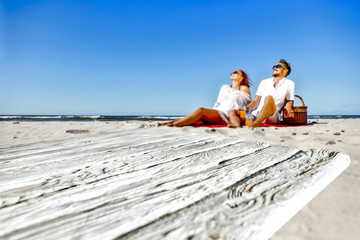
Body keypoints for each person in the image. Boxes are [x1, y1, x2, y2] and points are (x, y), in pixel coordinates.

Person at [158, 70, 252, 127]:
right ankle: (167, 123)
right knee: (194, 118)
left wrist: (244, 114)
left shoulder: (243, 88)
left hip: (229, 114)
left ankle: (174, 125)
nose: (232, 74)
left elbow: (249, 104)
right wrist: (212, 111)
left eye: (235, 73)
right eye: (231, 73)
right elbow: (218, 101)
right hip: (219, 111)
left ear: (241, 77)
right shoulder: (224, 86)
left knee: (201, 110)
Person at [228, 59, 295, 128]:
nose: (275, 68)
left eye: (278, 66)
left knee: (268, 98)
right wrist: (247, 108)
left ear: (286, 70)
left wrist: (288, 107)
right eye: (274, 66)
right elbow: (255, 101)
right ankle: (236, 124)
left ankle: (256, 123)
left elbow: (290, 100)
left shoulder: (289, 84)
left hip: (272, 115)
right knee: (232, 111)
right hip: (256, 113)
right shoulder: (264, 82)